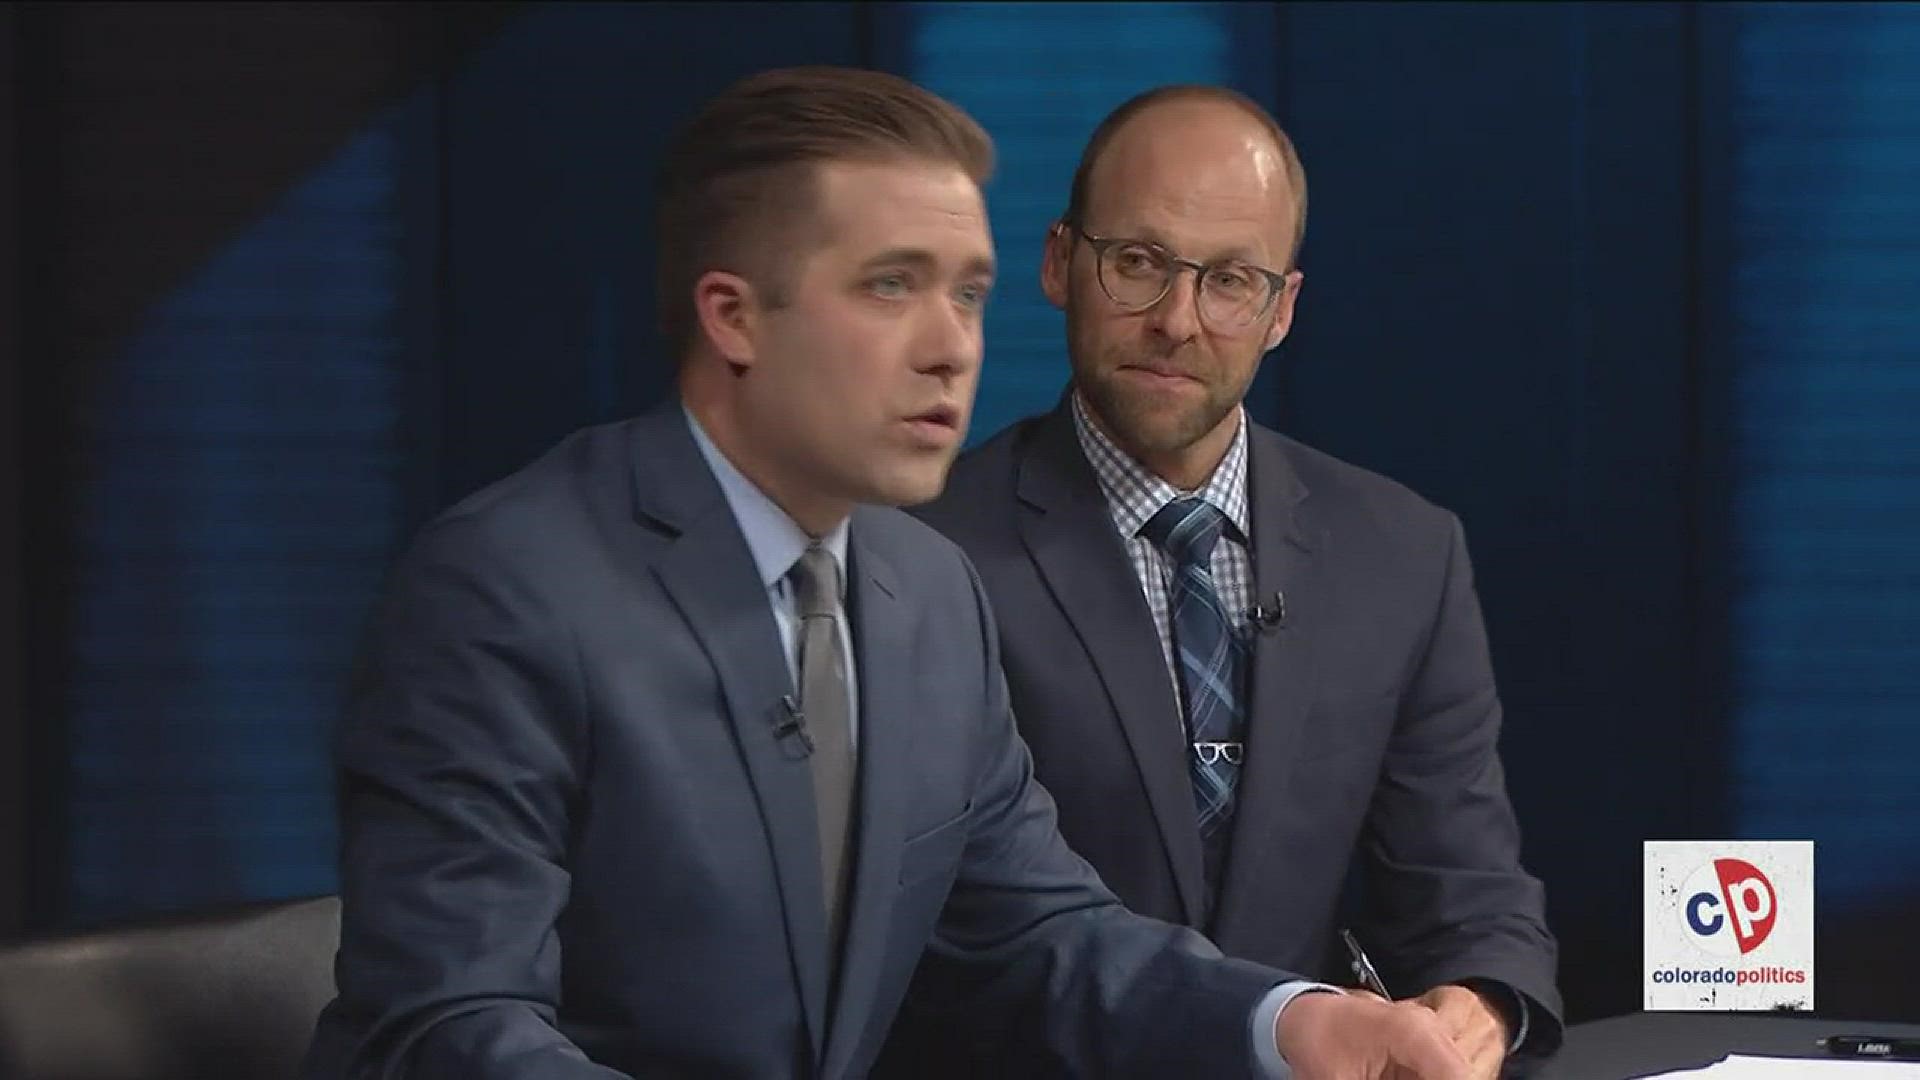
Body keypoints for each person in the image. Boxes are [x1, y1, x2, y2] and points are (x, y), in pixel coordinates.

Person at [300, 67, 1473, 1079]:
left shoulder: (925, 592)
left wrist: (1296, 1025)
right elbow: (449, 1027)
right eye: (890, 285)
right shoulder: (508, 589)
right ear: (734, 317)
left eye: (967, 290)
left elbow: (1042, 935)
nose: (953, 343)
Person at [898, 85, 1563, 1078]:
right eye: (1137, 264)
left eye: (1231, 281)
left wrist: (1477, 1003)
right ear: (1058, 264)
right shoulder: (922, 556)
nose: (1178, 319)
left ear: (1282, 309)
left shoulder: (1404, 554)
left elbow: (1465, 890)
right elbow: (953, 938)